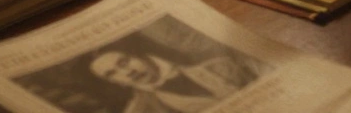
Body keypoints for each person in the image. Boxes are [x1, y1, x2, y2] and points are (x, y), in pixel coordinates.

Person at [89, 46, 267, 113]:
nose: (127, 72)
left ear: (140, 55)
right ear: (116, 83)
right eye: (112, 74)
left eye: (124, 61)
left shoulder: (217, 63)